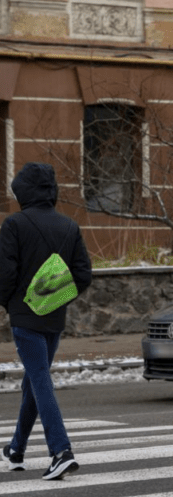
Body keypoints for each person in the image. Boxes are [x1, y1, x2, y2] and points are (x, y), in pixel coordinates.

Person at [0, 162, 93, 479]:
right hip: (53, 318)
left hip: (25, 318)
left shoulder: (14, 224)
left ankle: (61, 451)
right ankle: (16, 448)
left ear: (23, 192)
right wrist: (52, 297)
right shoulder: (70, 226)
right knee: (33, 381)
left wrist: (10, 303)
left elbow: (5, 275)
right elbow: (82, 275)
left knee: (39, 380)